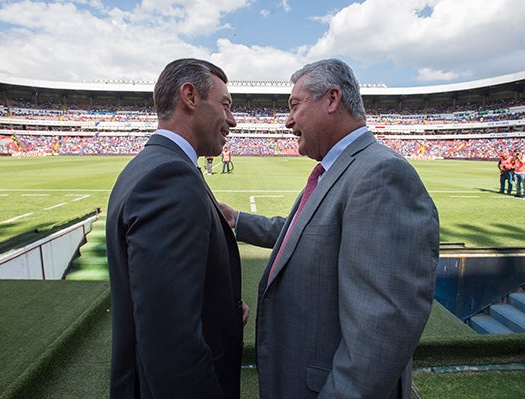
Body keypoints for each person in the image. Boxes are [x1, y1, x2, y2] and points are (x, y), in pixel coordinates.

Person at [220, 59, 439, 398]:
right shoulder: (341, 168)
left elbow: (382, 326)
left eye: (295, 105)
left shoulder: (380, 175)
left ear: (332, 100)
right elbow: (309, 233)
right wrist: (239, 221)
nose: (288, 120)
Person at [106, 58, 247, 399]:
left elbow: (163, 294)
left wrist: (221, 310)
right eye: (225, 105)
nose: (233, 120)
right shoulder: (170, 177)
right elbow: (170, 341)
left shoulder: (150, 165)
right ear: (190, 96)